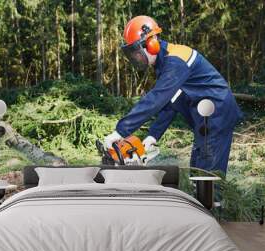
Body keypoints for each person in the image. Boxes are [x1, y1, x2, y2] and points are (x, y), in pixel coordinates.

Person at [104, 15, 243, 174]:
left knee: (207, 176)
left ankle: (215, 199)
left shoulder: (176, 61)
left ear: (152, 43)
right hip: (206, 117)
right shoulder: (165, 64)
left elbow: (156, 99)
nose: (135, 57)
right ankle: (205, 196)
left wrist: (121, 131)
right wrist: (152, 136)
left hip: (217, 112)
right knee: (197, 169)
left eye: (136, 52)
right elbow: (171, 102)